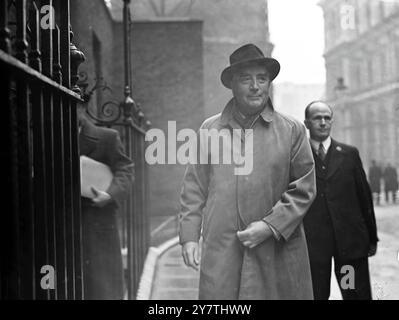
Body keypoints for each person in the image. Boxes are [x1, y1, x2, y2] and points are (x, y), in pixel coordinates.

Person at [178, 43, 317, 300]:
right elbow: (194, 188)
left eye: (261, 79)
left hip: (277, 251)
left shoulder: (292, 130)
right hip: (223, 251)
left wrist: (269, 226)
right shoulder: (209, 131)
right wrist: (189, 237)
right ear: (232, 84)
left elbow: (304, 189)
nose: (255, 86)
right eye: (246, 79)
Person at [303, 101, 378, 300]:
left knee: (352, 292)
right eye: (317, 118)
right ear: (307, 123)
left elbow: (364, 197)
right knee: (316, 294)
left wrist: (371, 237)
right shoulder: (299, 157)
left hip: (348, 245)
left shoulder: (349, 154)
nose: (323, 122)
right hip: (314, 246)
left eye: (327, 118)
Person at [78, 104, 133, 300]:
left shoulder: (106, 137)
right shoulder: (51, 134)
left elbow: (125, 169)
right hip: (63, 226)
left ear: (82, 107)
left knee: (103, 289)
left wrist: (109, 195)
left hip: (98, 224)